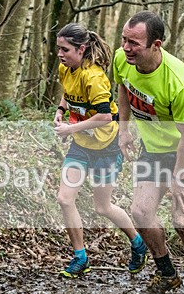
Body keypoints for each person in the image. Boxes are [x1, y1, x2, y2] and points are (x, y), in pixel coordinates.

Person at [115, 10, 184, 294]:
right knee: (141, 211)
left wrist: (179, 176)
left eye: (134, 42)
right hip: (156, 145)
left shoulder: (179, 81)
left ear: (156, 44)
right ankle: (166, 273)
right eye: (124, 39)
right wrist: (123, 128)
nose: (126, 47)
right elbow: (123, 87)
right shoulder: (123, 59)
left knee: (182, 220)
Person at [52, 23, 148, 277]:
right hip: (82, 146)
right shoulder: (66, 68)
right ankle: (80, 257)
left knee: (102, 208)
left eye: (65, 49)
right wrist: (61, 111)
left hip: (107, 147)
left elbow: (105, 117)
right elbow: (68, 94)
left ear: (81, 49)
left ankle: (138, 243)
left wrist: (70, 129)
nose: (60, 54)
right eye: (58, 49)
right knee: (64, 198)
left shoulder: (93, 77)